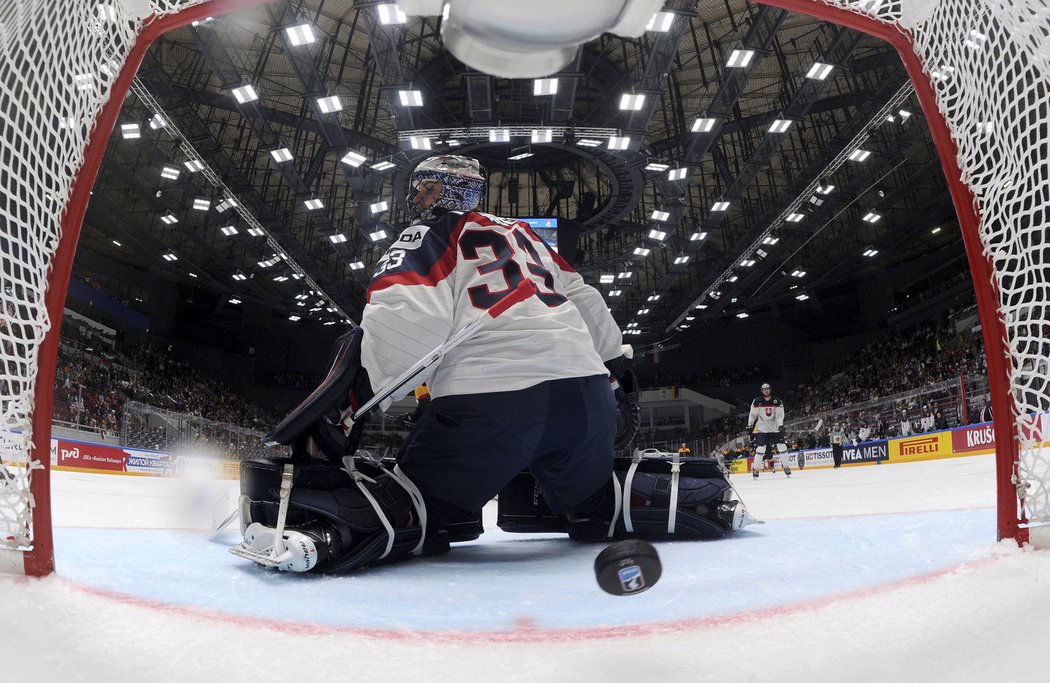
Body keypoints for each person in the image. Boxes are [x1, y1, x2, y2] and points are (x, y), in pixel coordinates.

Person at [235, 154, 751, 574]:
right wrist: (616, 364)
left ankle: (322, 533)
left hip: (492, 404)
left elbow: (408, 319)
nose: (418, 199)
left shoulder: (428, 236)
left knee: (421, 507)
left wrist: (359, 402)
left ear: (450, 193)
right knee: (591, 501)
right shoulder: (527, 236)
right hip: (587, 403)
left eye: (427, 189)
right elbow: (585, 298)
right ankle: (680, 502)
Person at [747, 382, 791, 478]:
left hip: (775, 427)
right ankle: (756, 469)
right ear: (762, 391)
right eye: (764, 389)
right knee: (760, 448)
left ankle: (786, 467)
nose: (766, 390)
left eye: (768, 389)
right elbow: (753, 414)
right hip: (762, 427)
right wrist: (750, 425)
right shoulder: (757, 401)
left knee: (782, 446)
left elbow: (779, 415)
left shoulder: (777, 401)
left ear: (770, 390)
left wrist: (780, 425)